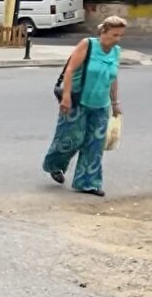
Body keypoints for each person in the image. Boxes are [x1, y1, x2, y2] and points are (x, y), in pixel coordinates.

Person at [42, 17, 127, 197]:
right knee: (71, 138)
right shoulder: (87, 45)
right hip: (78, 99)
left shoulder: (116, 51)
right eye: (114, 35)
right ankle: (54, 165)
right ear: (103, 32)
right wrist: (66, 96)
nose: (117, 39)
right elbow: (71, 69)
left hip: (101, 104)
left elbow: (113, 78)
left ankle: (88, 182)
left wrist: (115, 103)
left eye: (120, 35)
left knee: (94, 144)